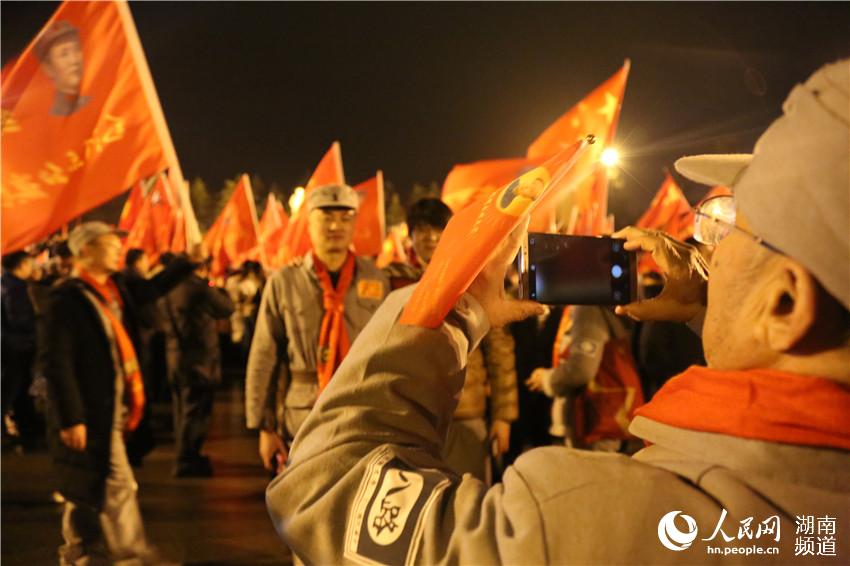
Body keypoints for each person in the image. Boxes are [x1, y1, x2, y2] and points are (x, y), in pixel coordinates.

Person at [264, 59, 849, 563]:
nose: (703, 254)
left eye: (728, 232)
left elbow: (324, 490)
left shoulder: (582, 518)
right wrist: (710, 307)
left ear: (787, 303)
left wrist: (452, 304)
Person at [43, 221, 194, 563]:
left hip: (114, 406)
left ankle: (79, 552)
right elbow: (56, 363)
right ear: (84, 251)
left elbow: (155, 288)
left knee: (85, 487)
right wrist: (71, 418)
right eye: (108, 244)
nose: (117, 249)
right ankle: (133, 555)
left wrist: (188, 262)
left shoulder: (114, 289)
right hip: (89, 411)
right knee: (118, 485)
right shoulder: (67, 299)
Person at [245, 183, 390, 473]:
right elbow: (265, 355)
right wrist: (264, 427)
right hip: (303, 413)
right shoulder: (284, 282)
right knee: (304, 503)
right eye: (326, 217)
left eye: (345, 217)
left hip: (362, 410)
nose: (335, 225)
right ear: (309, 223)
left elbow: (389, 352)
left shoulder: (377, 280)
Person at [385, 198, 519, 483]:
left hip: (465, 414)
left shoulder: (473, 279)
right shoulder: (396, 281)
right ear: (410, 236)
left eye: (437, 228)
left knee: (469, 502)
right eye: (422, 229)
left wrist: (503, 416)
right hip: (412, 415)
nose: (430, 237)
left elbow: (500, 352)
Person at [526, 305, 644, 452]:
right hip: (603, 419)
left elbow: (581, 369)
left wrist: (547, 379)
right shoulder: (597, 308)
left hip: (594, 421)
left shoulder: (587, 310)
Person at [162, 248, 234, 477]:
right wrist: (215, 286)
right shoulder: (198, 289)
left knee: (181, 409)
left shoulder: (167, 290)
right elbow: (226, 308)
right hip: (199, 359)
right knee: (196, 411)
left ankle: (185, 454)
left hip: (174, 356)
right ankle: (186, 459)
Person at [1, 251, 39, 448]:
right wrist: (39, 321)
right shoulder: (15, 288)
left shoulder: (5, 283)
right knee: (13, 389)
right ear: (22, 264)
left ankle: (28, 429)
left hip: (8, 343)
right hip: (17, 345)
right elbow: (19, 319)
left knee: (13, 388)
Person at [34, 21, 90, 117]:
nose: (74, 60)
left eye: (77, 49)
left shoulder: (98, 98)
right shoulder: (52, 117)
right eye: (64, 54)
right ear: (48, 68)